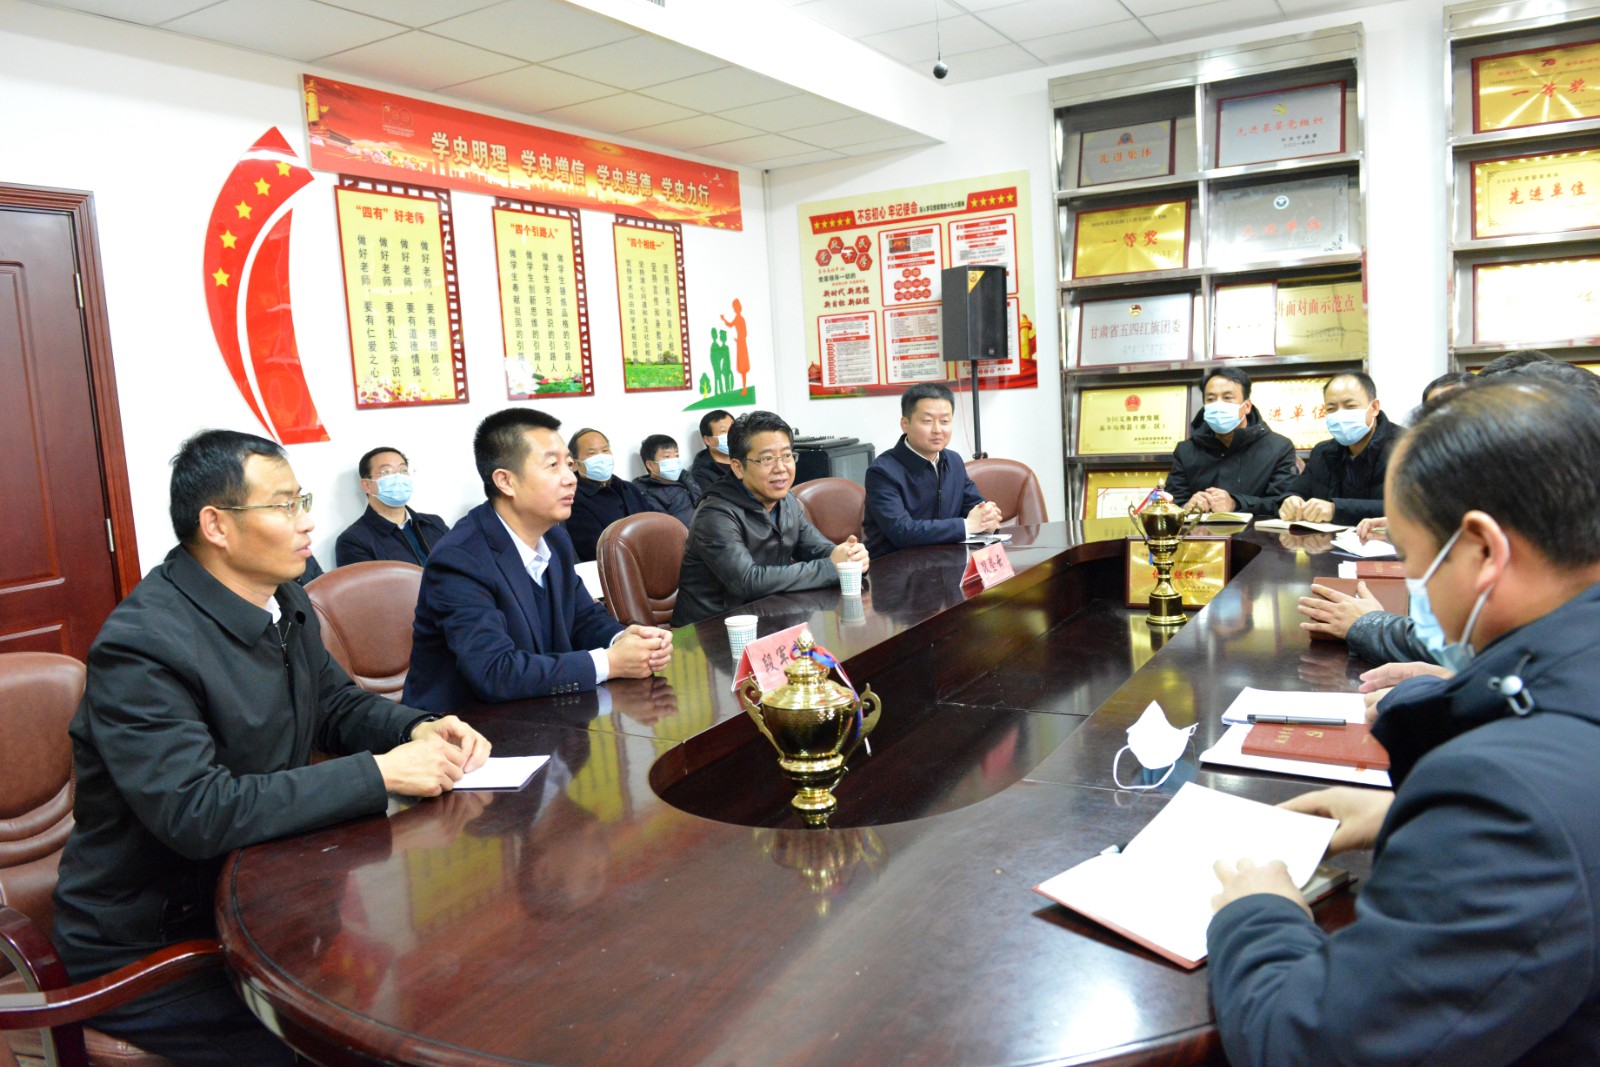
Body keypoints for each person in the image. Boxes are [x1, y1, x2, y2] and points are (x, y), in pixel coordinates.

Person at [51, 430, 490, 1066]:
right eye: (284, 506)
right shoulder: (143, 646)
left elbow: (334, 704)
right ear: (217, 526)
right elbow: (198, 811)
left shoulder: (284, 599)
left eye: (301, 500)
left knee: (446, 976)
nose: (307, 521)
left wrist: (416, 728)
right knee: (353, 1040)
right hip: (158, 945)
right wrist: (380, 774)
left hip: (268, 899)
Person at [1208, 378, 1600, 1066]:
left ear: (1482, 551)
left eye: (1415, 562)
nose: (1416, 590)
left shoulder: (1506, 798)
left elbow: (1310, 1046)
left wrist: (1257, 911)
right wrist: (1411, 814)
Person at [404, 408, 671, 712]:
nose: (570, 479)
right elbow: (494, 672)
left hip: (544, 712)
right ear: (505, 481)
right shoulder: (460, 559)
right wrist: (609, 662)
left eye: (569, 464)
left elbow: (582, 617)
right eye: (552, 466)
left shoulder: (554, 538)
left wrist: (623, 639)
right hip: (466, 726)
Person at [672, 410, 869, 627]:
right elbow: (748, 581)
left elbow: (818, 549)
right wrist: (832, 567)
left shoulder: (786, 501)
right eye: (767, 459)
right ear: (738, 467)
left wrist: (851, 557)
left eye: (787, 456)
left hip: (768, 618)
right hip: (712, 630)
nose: (781, 468)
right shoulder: (715, 514)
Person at [862, 382, 1001, 556]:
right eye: (927, 421)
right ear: (905, 424)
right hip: (895, 565)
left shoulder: (953, 461)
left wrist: (988, 518)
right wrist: (967, 525)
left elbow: (975, 507)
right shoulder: (882, 471)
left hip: (947, 561)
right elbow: (902, 531)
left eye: (945, 421)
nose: (937, 430)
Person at [1164, 367, 1298, 517]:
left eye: (1227, 398)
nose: (1218, 405)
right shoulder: (1186, 451)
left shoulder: (1279, 448)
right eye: (1211, 399)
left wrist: (1235, 504)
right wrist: (1186, 507)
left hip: (1256, 532)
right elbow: (1170, 503)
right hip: (1199, 531)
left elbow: (1283, 504)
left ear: (1247, 406)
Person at [1277, 372, 1398, 525]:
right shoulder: (1322, 452)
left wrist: (1336, 509)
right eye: (1332, 409)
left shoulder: (1407, 448)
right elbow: (1297, 491)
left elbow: (1408, 508)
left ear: (1374, 407)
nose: (1341, 415)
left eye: (1350, 406)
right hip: (1325, 540)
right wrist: (1290, 500)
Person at [334, 445, 450, 566]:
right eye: (386, 472)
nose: (398, 477)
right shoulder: (354, 541)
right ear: (367, 485)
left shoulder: (434, 524)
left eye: (403, 471)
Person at [563, 427, 658, 562]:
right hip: (617, 568)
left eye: (605, 450)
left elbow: (654, 524)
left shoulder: (629, 488)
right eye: (592, 453)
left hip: (653, 560)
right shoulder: (573, 499)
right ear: (575, 463)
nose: (601, 457)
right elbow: (596, 549)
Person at [633, 432, 701, 526]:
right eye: (667, 456)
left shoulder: (685, 477)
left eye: (676, 456)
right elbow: (666, 528)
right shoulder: (646, 493)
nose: (674, 461)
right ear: (650, 465)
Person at [690, 408, 736, 491]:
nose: (731, 434)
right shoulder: (701, 475)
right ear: (708, 440)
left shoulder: (747, 455)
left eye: (733, 429)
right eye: (723, 431)